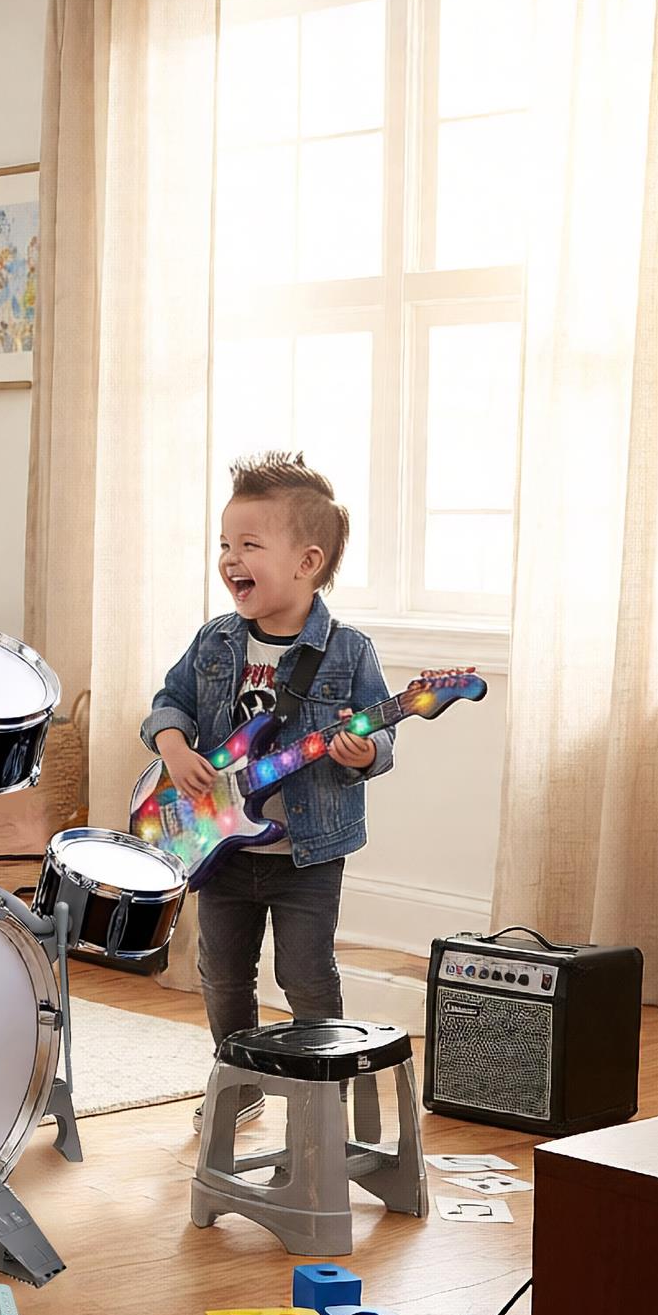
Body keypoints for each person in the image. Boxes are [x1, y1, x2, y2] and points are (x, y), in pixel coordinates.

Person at [141, 451, 394, 1131]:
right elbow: (170, 701)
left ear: (307, 563)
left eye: (249, 545)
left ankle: (321, 1092)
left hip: (307, 855)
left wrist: (363, 748)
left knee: (307, 975)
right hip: (221, 849)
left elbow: (381, 743)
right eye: (225, 544)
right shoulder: (217, 641)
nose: (230, 559)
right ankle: (240, 1082)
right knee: (221, 973)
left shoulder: (348, 652)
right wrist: (174, 746)